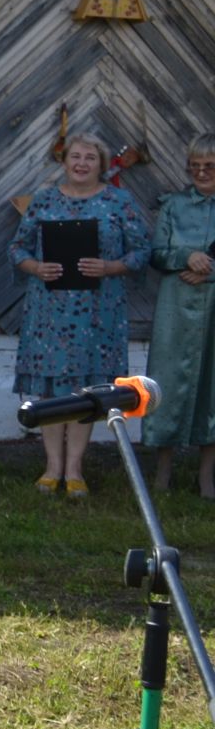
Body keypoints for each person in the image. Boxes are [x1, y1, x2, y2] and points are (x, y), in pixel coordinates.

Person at [8, 132, 151, 497]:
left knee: (84, 390)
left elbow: (141, 252)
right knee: (50, 390)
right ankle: (51, 468)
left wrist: (110, 266)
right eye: (76, 156)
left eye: (90, 157)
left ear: (101, 165)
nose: (82, 163)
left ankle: (74, 471)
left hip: (97, 313)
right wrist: (35, 268)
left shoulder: (118, 202)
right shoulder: (44, 201)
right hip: (48, 310)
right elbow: (17, 248)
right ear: (64, 161)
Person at [145, 133, 215, 496]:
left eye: (209, 166)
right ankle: (162, 472)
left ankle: (207, 477)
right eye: (195, 166)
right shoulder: (173, 206)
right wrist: (184, 257)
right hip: (177, 304)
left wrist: (209, 269)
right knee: (167, 381)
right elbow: (156, 253)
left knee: (214, 387)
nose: (201, 172)